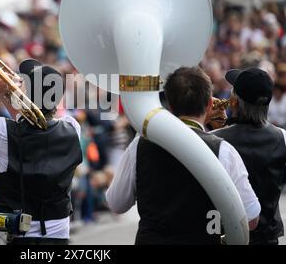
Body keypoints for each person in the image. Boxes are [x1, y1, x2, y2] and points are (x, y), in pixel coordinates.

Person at [106, 66, 260, 245]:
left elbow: (116, 203)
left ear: (170, 105)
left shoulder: (140, 142)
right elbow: (251, 218)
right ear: (210, 104)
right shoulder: (223, 150)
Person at [0, 58, 83, 245]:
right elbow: (28, 123)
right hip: (59, 234)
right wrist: (5, 94)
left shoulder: (3, 131)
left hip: (15, 235)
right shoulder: (72, 126)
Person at [212, 67, 286, 245]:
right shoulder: (282, 137)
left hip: (227, 236)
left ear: (235, 102)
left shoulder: (216, 140)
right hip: (267, 238)